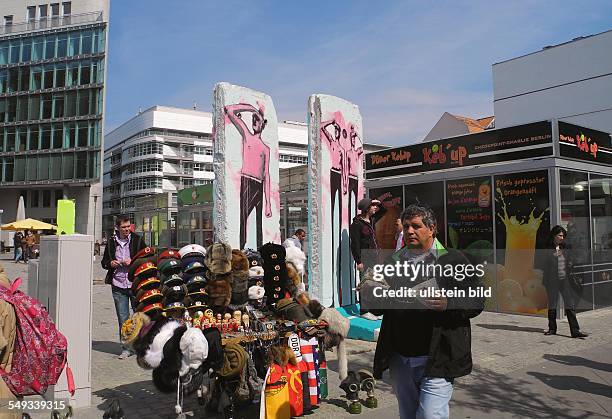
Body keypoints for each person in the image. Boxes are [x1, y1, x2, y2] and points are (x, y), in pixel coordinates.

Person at [367, 204, 483, 419]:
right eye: (406, 226)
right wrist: (370, 291)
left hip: (438, 356)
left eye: (416, 226)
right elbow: (377, 307)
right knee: (408, 414)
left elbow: (477, 301)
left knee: (431, 415)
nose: (409, 231)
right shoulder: (393, 261)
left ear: (432, 229)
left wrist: (449, 303)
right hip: (400, 357)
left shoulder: (454, 259)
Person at [101, 215, 147, 359]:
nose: (127, 229)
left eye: (128, 227)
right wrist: (111, 264)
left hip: (135, 284)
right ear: (117, 228)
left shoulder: (138, 240)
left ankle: (141, 346)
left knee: (139, 316)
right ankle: (127, 348)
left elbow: (147, 258)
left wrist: (132, 261)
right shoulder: (111, 242)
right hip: (118, 284)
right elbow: (104, 263)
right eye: (124, 227)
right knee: (123, 319)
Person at [542, 225, 588, 338]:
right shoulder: (547, 248)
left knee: (570, 305)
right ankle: (552, 329)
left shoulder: (565, 247)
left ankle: (575, 331)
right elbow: (543, 264)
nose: (562, 238)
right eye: (560, 235)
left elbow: (571, 259)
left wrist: (571, 262)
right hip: (552, 281)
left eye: (563, 235)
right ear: (554, 236)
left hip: (565, 281)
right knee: (552, 305)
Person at [349, 198, 387, 319]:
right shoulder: (356, 224)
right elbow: (354, 244)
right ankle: (364, 310)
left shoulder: (371, 220)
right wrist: (358, 261)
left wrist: (378, 202)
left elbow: (383, 210)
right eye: (372, 206)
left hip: (375, 257)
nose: (375, 208)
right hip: (365, 258)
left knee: (375, 283)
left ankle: (374, 310)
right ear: (366, 208)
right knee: (366, 284)